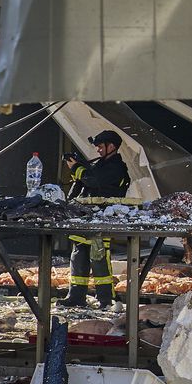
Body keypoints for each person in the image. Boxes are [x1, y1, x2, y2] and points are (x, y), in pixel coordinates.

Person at [60, 129, 131, 308]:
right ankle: (76, 296)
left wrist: (76, 167)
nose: (98, 150)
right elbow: (86, 180)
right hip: (87, 215)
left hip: (102, 217)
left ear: (112, 147)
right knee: (79, 255)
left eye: (100, 147)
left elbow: (93, 181)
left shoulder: (116, 167)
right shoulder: (100, 165)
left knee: (98, 255)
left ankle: (106, 299)